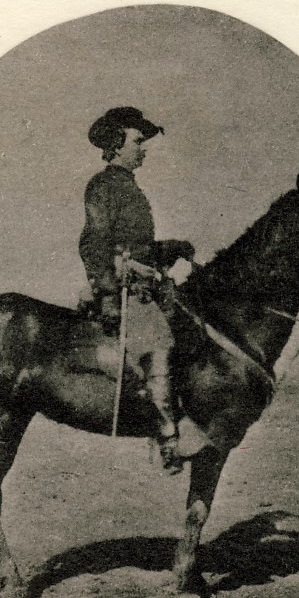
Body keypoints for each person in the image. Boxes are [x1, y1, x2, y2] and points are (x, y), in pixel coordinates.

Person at [79, 107, 194, 472]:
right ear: (117, 145)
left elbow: (139, 248)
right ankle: (167, 438)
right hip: (126, 293)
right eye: (138, 141)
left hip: (147, 285)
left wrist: (171, 248)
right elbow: (93, 245)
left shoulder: (129, 186)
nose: (143, 149)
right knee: (158, 345)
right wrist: (110, 290)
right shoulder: (103, 186)